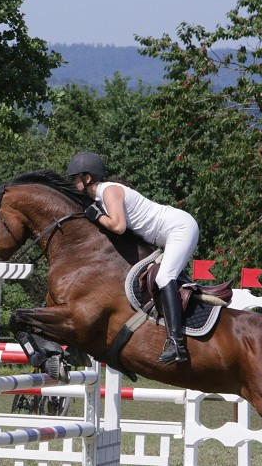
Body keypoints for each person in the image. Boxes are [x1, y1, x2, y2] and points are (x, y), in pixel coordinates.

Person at [66, 151, 200, 365]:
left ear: (87, 178)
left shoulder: (108, 191)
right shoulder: (102, 196)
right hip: (167, 233)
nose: (73, 183)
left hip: (179, 227)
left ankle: (176, 344)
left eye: (75, 178)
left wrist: (98, 216)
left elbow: (118, 226)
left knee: (164, 277)